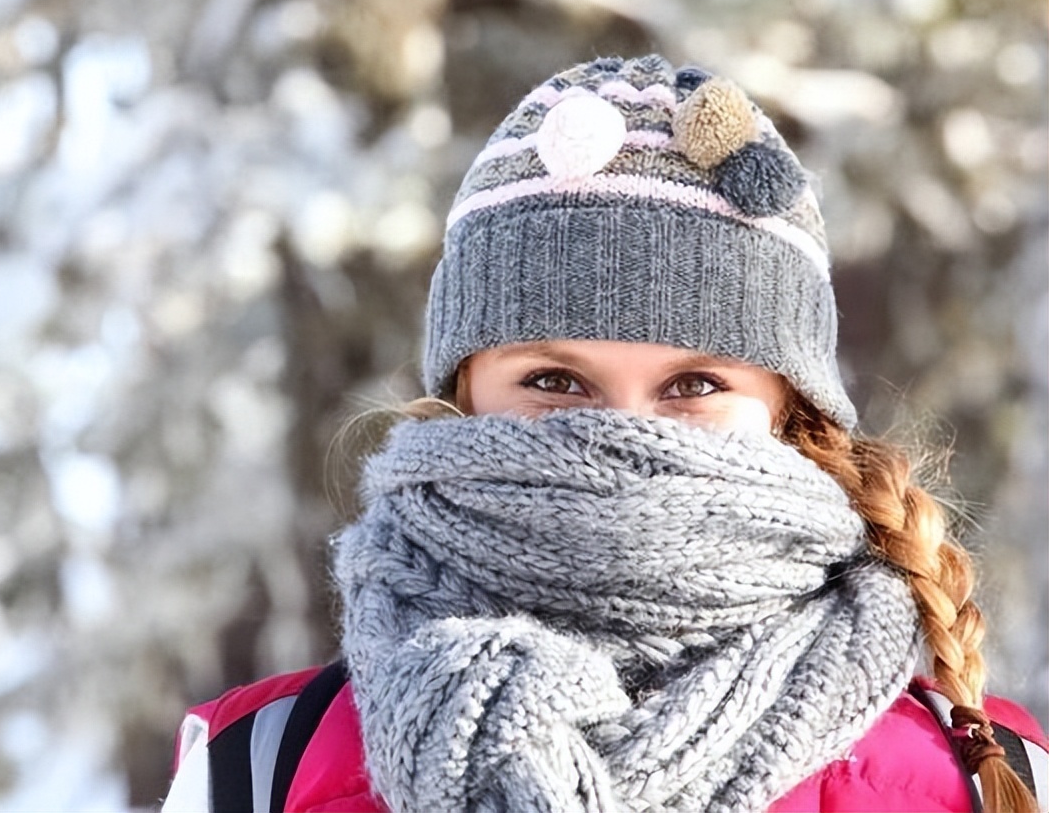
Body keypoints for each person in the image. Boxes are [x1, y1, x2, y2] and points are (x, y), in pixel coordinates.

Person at [162, 55, 1047, 812]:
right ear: (463, 395)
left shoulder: (989, 778)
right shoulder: (260, 765)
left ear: (790, 412)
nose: (621, 435)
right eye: (553, 382)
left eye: (695, 383)